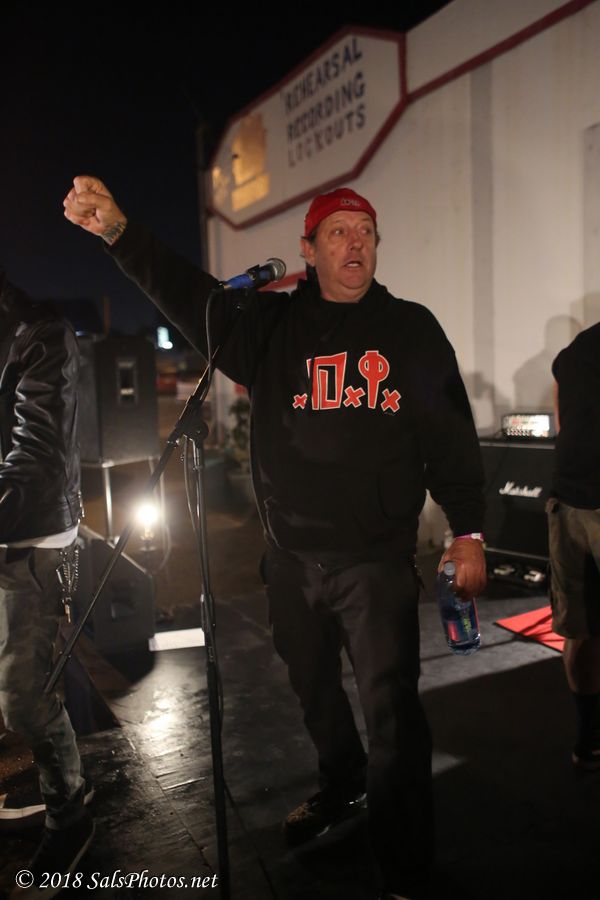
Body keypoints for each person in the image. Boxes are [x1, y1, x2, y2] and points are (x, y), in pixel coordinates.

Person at [64, 177, 486, 900]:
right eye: (338, 232)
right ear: (308, 250)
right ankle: (344, 785)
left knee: (393, 713)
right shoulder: (269, 326)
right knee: (315, 694)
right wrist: (119, 233)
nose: (355, 244)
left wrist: (467, 530)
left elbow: (451, 434)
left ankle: (405, 865)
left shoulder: (412, 329)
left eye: (366, 232)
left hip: (375, 563)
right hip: (291, 561)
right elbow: (189, 296)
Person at [0, 269, 93, 898]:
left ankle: (70, 814)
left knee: (25, 699)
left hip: (33, 541)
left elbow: (36, 458)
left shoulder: (42, 334)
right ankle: (37, 788)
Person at [548, 323, 600, 769]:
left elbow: (561, 417)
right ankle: (589, 739)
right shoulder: (578, 349)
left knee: (581, 630)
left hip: (569, 500)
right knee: (581, 631)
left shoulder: (577, 348)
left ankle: (588, 741)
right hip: (576, 504)